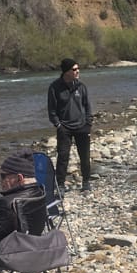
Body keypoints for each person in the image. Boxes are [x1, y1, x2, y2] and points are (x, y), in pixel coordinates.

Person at [47, 58, 93, 193]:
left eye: (78, 68)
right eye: (74, 69)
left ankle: (86, 182)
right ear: (66, 72)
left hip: (82, 126)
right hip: (65, 128)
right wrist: (58, 125)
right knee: (62, 157)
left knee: (85, 156)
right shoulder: (54, 87)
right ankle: (60, 185)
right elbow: (51, 110)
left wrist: (88, 123)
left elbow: (87, 106)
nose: (77, 71)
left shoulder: (81, 86)